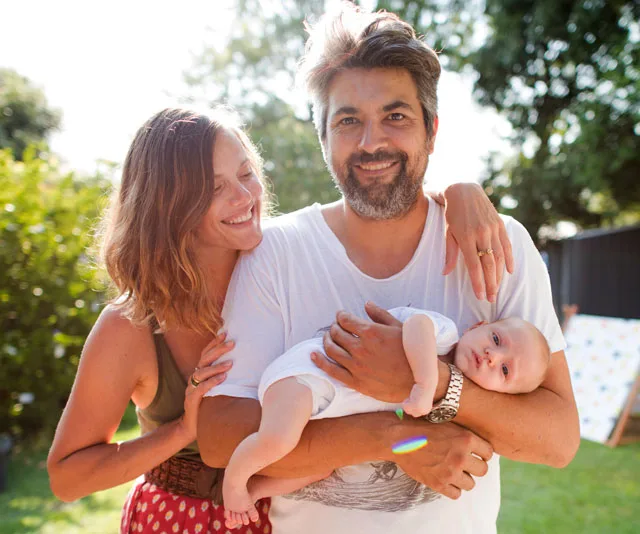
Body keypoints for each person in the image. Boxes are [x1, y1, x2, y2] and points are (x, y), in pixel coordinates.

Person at [198, 4, 580, 534]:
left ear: (432, 129)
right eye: (348, 120)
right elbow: (221, 440)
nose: (371, 142)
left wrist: (437, 383)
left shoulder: (497, 245)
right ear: (324, 137)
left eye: (395, 116)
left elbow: (558, 441)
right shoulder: (275, 254)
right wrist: (396, 437)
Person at [45, 105, 508, 534]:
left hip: (282, 515)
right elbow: (68, 477)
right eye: (214, 187)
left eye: (246, 174)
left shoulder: (284, 261)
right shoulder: (132, 324)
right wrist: (184, 431)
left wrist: (458, 193)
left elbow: (368, 212)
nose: (245, 196)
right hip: (182, 520)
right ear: (167, 205)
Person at [221, 307, 551, 528]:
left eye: (505, 369)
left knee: (318, 469)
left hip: (327, 406)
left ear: (502, 395)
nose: (493, 356)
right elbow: (417, 326)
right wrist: (425, 382)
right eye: (496, 339)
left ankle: (255, 491)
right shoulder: (445, 335)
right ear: (479, 326)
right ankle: (234, 483)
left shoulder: (460, 406)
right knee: (279, 438)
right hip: (307, 376)